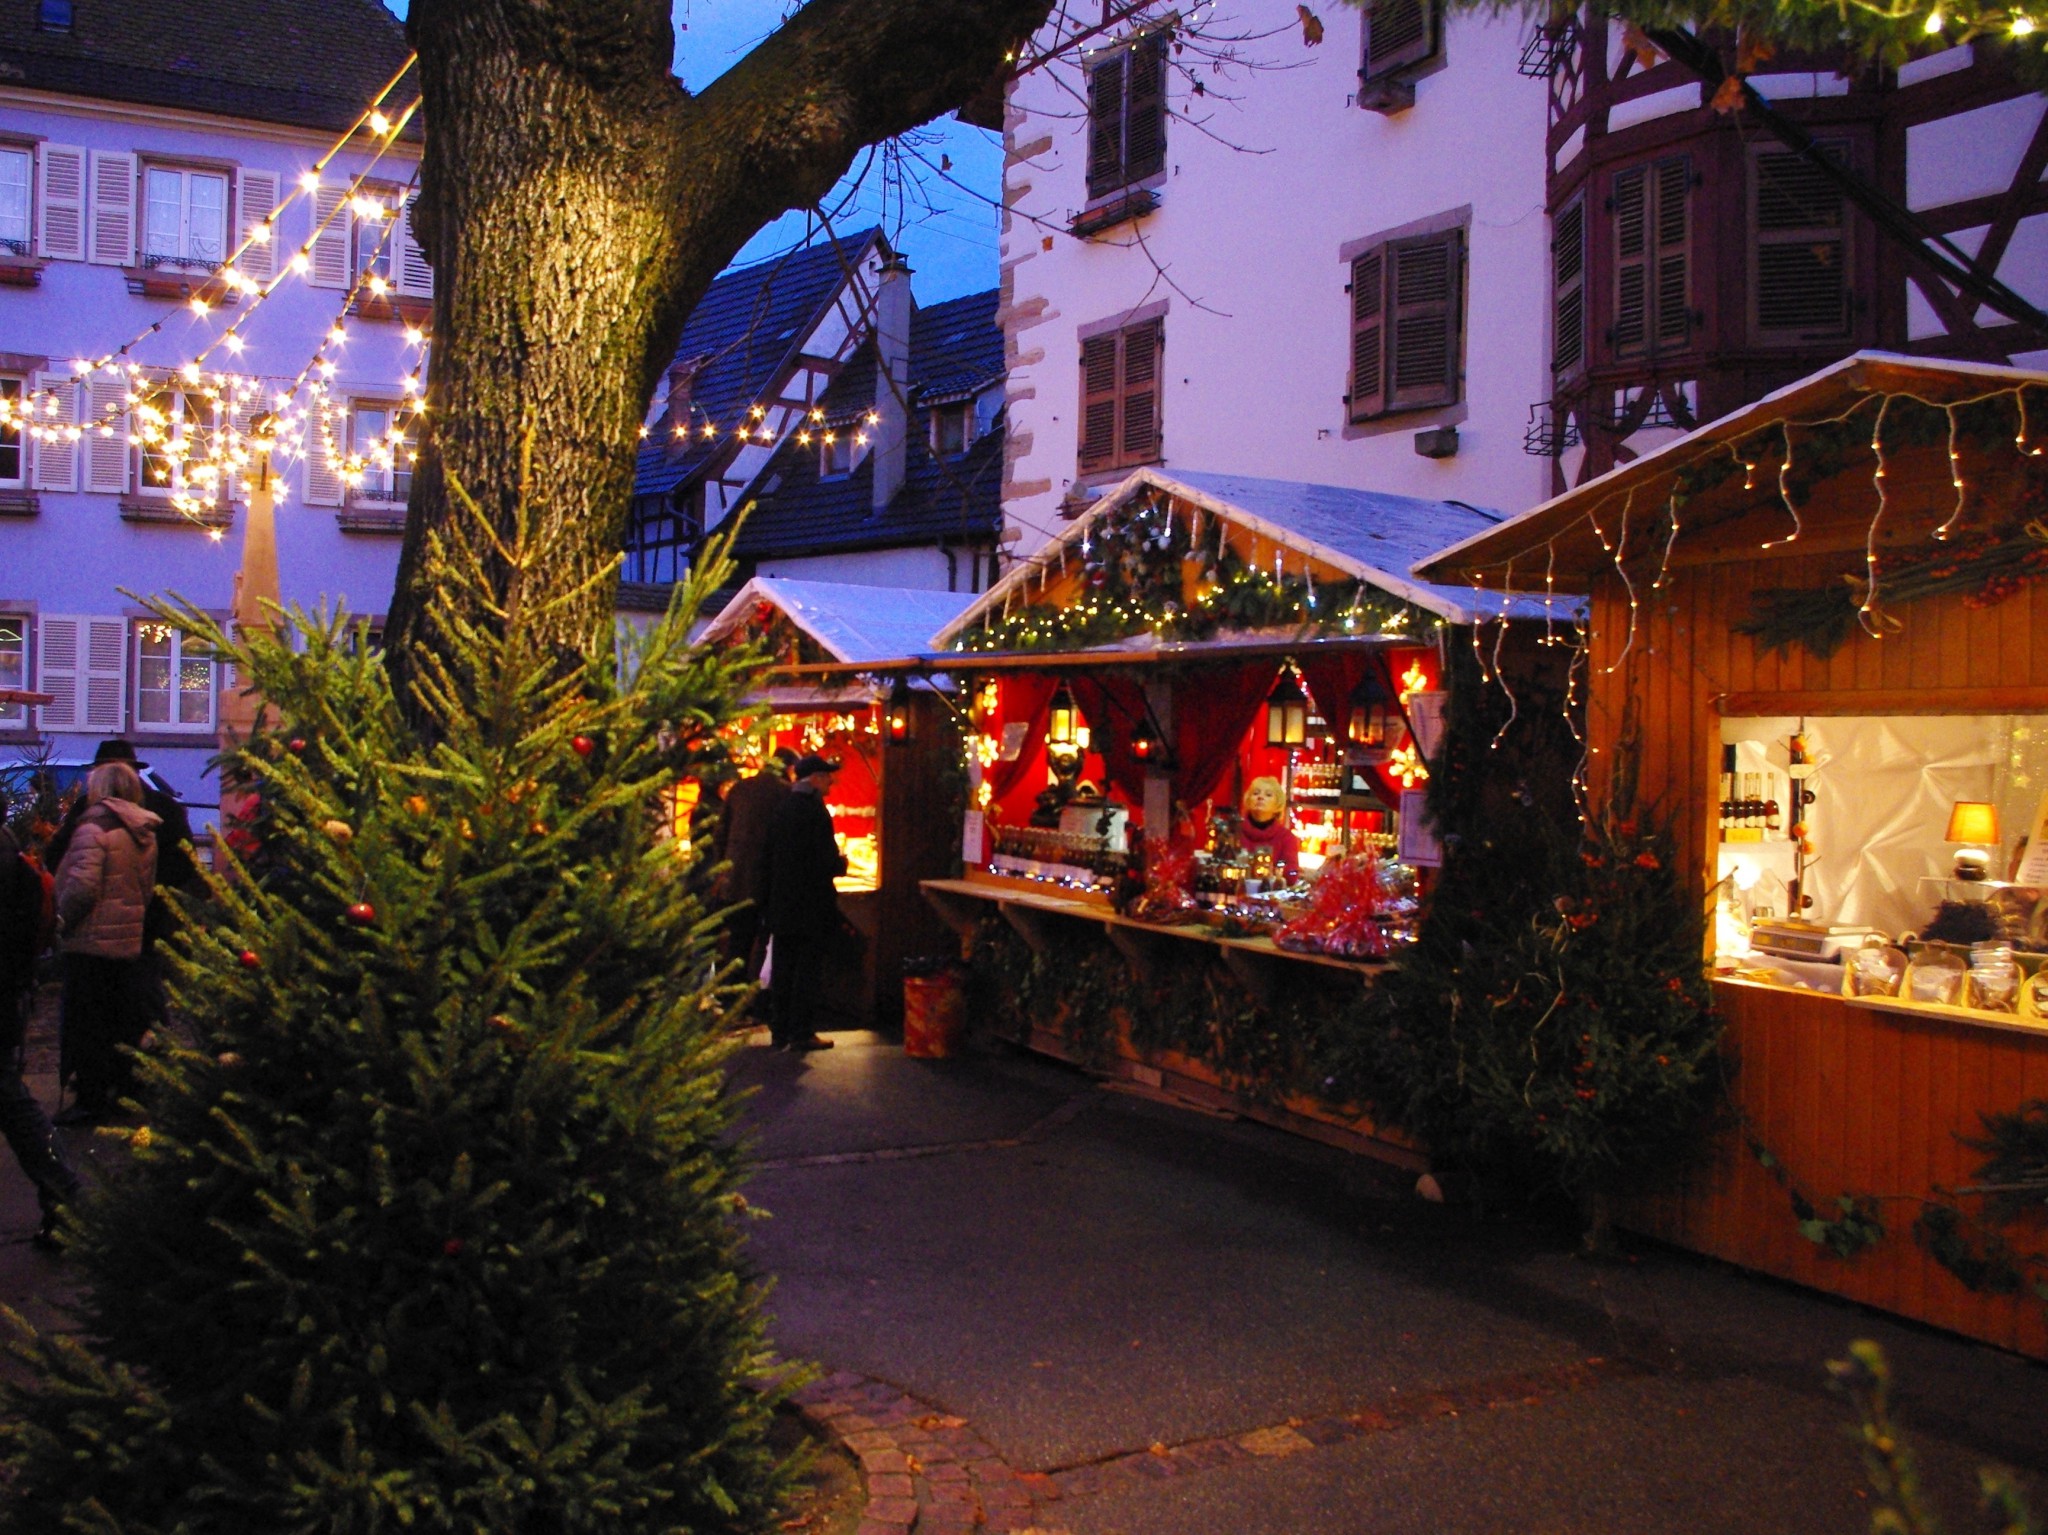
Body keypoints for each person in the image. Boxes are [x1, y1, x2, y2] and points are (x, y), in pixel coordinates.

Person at [46, 740, 196, 1034]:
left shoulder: (88, 811)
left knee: (95, 1010)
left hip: (96, 929)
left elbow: (62, 861)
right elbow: (184, 861)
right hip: (146, 921)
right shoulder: (161, 808)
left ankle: (100, 1070)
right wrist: (150, 894)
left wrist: (65, 915)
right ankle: (142, 1062)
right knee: (141, 1003)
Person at [52, 761, 160, 1125]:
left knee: (87, 1024)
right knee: (120, 1020)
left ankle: (92, 1098)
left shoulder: (93, 828)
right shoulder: (143, 829)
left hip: (90, 941)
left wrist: (61, 922)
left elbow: (82, 887)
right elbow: (145, 888)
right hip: (127, 938)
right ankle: (124, 1092)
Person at [0, 823, 80, 1250]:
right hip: (8, 997)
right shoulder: (17, 863)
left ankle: (68, 1197)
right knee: (12, 1102)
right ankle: (66, 1198)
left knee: (12, 1103)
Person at [760, 753, 845, 1052]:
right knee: (807, 971)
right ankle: (801, 1032)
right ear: (816, 779)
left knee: (783, 970)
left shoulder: (781, 809)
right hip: (810, 906)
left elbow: (767, 857)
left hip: (782, 904)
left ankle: (779, 1030)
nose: (832, 780)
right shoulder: (815, 812)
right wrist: (841, 864)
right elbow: (824, 860)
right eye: (827, 775)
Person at [713, 747, 796, 987]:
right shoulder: (785, 794)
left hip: (735, 878)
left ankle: (728, 994)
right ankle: (752, 997)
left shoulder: (740, 789)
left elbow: (720, 834)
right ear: (788, 769)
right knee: (762, 944)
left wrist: (723, 869)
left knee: (735, 941)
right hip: (768, 882)